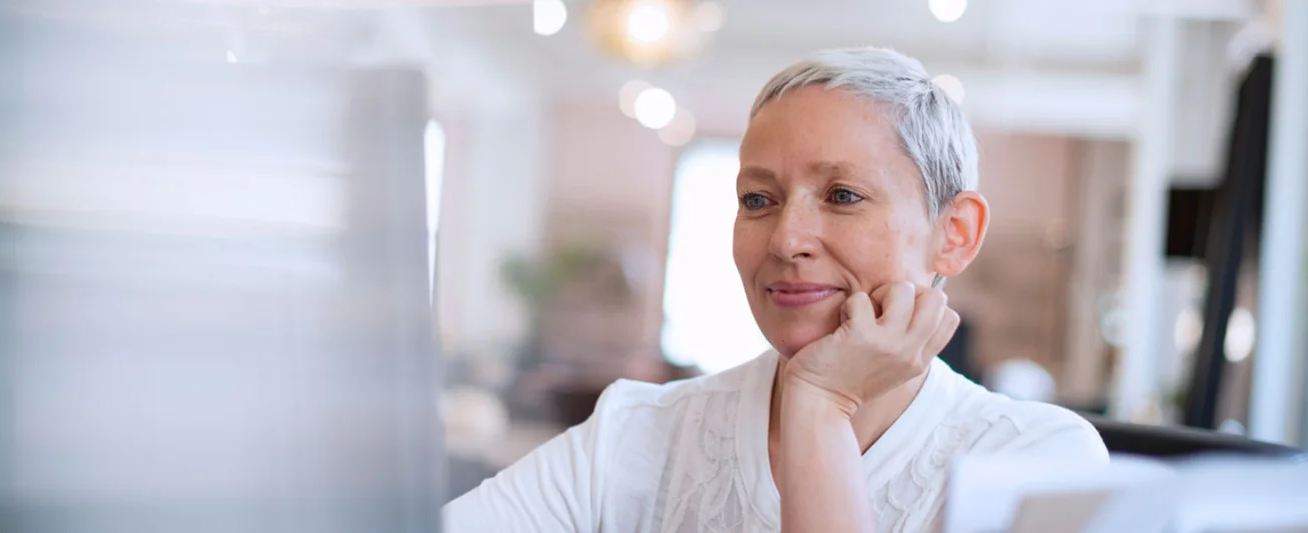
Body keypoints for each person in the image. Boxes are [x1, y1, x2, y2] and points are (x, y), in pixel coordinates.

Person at [443, 47, 1108, 533]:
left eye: (843, 195)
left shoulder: (1037, 460)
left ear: (955, 233)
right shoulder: (639, 431)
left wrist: (820, 405)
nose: (787, 239)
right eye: (758, 198)